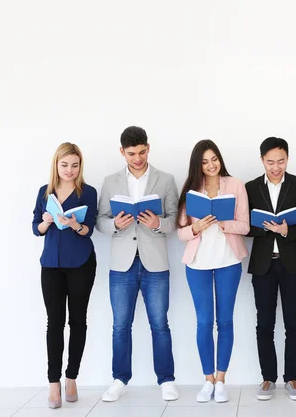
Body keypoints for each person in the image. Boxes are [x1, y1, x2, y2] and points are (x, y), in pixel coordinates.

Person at [96, 126, 179, 402]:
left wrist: (158, 223)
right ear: (122, 152)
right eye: (131, 153)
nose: (138, 158)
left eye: (142, 152)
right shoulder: (110, 181)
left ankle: (166, 380)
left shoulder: (165, 180)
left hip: (155, 263)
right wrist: (115, 225)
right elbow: (100, 221)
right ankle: (119, 379)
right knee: (120, 325)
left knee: (160, 324)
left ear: (148, 147)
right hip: (122, 264)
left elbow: (174, 220)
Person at [177, 139, 250, 403]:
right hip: (198, 264)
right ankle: (207, 379)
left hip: (228, 261)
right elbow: (181, 232)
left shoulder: (235, 185)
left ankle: (221, 380)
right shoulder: (190, 190)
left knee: (225, 322)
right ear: (198, 164)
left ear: (220, 159)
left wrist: (224, 223)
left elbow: (245, 225)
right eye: (205, 161)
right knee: (204, 323)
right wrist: (196, 228)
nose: (211, 165)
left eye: (214, 159)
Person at [245, 137, 296, 401]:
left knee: (293, 323)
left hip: (293, 264)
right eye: (271, 162)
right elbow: (245, 226)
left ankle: (292, 378)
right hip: (263, 264)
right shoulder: (251, 187)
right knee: (264, 324)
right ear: (262, 160)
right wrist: (263, 226)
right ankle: (268, 379)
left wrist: (286, 230)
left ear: (288, 159)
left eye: (281, 161)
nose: (276, 167)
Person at [32, 142, 97, 409]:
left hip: (81, 262)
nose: (70, 170)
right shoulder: (44, 192)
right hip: (51, 265)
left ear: (80, 166)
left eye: (75, 165)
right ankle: (53, 384)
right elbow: (37, 228)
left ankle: (72, 377)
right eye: (64, 164)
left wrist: (75, 224)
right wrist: (47, 222)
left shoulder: (88, 192)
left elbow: (89, 229)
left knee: (78, 321)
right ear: (56, 165)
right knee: (54, 323)